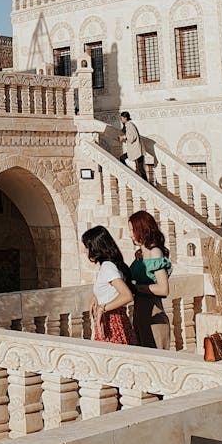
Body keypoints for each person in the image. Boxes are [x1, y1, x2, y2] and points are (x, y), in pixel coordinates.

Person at [81, 225, 135, 344]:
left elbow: (127, 295)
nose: (85, 251)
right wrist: (97, 296)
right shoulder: (112, 265)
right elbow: (112, 290)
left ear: (95, 247)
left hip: (111, 322)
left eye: (86, 247)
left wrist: (102, 308)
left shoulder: (107, 267)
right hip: (117, 319)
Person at [128, 210, 172, 349]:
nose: (130, 234)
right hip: (139, 316)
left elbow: (163, 289)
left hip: (154, 317)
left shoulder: (155, 252)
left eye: (132, 230)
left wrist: (136, 288)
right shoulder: (139, 254)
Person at [119, 111, 147, 180]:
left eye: (122, 118)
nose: (121, 119)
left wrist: (124, 137)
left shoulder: (129, 125)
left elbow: (132, 137)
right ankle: (145, 181)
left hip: (136, 150)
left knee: (140, 168)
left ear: (125, 118)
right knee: (140, 168)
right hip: (135, 149)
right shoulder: (129, 125)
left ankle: (145, 182)